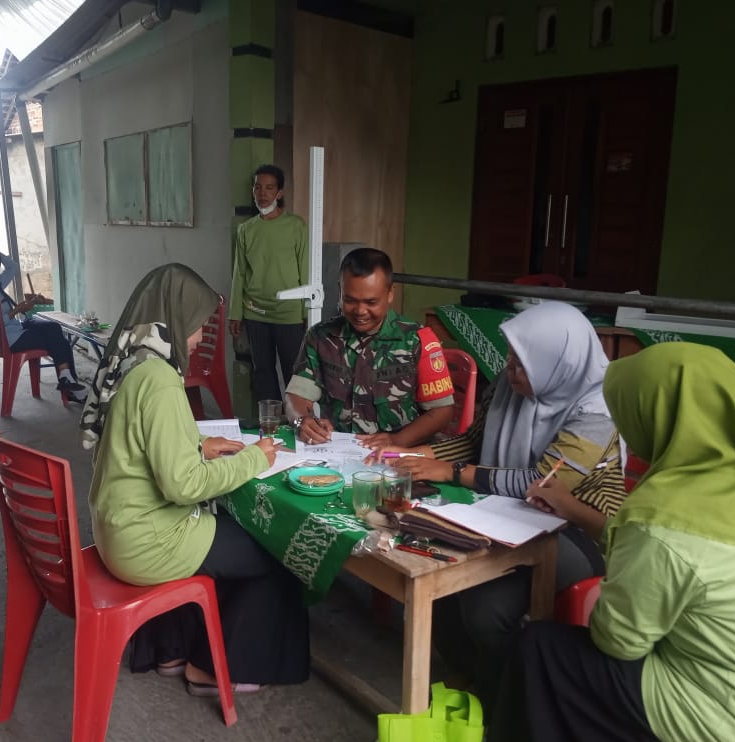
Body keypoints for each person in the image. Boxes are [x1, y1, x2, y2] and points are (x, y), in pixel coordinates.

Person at [481, 343, 735, 742]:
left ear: (654, 417)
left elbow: (619, 641)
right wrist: (580, 513)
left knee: (542, 649)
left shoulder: (666, 510)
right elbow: (692, 557)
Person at [369, 301, 626, 707]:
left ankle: (509, 700)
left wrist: (451, 473)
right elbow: (471, 444)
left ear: (558, 363)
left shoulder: (598, 407)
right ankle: (476, 675)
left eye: (522, 364)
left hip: (578, 531)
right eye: (509, 358)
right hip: (504, 513)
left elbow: (540, 483)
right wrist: (417, 455)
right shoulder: (511, 385)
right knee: (438, 568)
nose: (510, 370)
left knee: (484, 607)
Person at [80, 263, 310, 695]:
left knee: (231, 535)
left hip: (116, 531)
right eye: (199, 324)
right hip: (148, 542)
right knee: (277, 550)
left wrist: (197, 447)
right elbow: (183, 486)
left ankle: (170, 649)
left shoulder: (134, 360)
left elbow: (134, 442)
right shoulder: (161, 380)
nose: (203, 335)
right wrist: (256, 459)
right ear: (175, 317)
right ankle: (210, 667)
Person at [285, 247, 455, 448]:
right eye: (350, 300)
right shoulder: (321, 337)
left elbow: (442, 411)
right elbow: (296, 395)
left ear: (390, 294)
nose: (360, 311)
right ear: (340, 290)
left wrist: (396, 441)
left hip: (399, 455)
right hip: (337, 452)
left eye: (371, 302)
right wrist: (302, 421)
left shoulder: (417, 340)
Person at [0, 246, 88, 403]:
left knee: (53, 328)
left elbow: (12, 268)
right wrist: (19, 309)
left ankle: (66, 379)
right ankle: (68, 383)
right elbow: (4, 320)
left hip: (11, 332)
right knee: (59, 340)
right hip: (13, 339)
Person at [228, 164, 309, 402]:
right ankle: (270, 427)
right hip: (255, 312)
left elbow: (305, 268)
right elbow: (239, 272)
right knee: (262, 372)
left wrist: (306, 310)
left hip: (289, 313)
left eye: (269, 187)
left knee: (294, 372)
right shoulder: (246, 229)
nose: (262, 193)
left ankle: (296, 422)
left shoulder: (296, 226)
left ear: (279, 193)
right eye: (258, 187)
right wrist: (236, 312)